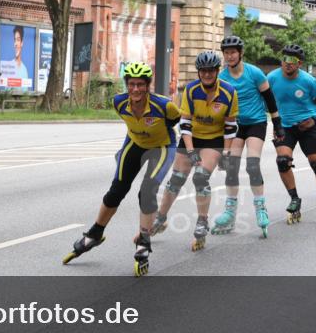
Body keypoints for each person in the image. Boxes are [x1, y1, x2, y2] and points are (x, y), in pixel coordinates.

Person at [62, 62, 179, 276]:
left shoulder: (165, 106)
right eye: (132, 84)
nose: (136, 89)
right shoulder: (119, 102)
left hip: (162, 146)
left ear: (148, 86)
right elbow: (131, 126)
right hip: (134, 143)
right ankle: (95, 233)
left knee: (148, 190)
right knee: (116, 190)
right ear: (127, 85)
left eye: (141, 85)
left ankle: (144, 242)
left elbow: (174, 122)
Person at [152, 51, 238, 251]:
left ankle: (202, 221)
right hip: (191, 137)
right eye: (203, 71)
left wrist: (226, 153)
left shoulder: (229, 92)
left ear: (217, 71)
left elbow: (230, 127)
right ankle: (160, 218)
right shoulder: (191, 90)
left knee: (200, 178)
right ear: (198, 72)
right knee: (176, 179)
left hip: (214, 139)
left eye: (211, 71)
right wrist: (190, 151)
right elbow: (185, 124)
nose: (207, 74)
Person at [213, 35, 284, 238]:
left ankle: (260, 207)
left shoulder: (254, 73)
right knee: (231, 167)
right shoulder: (222, 78)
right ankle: (229, 212)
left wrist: (277, 124)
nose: (229, 56)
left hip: (255, 123)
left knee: (252, 165)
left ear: (240, 53)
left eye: (233, 52)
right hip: (234, 126)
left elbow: (269, 99)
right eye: (226, 53)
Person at [267, 43, 316, 225]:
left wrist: (313, 116)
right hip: (284, 126)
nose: (287, 63)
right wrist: (275, 120)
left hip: (307, 125)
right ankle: (294, 198)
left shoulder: (307, 80)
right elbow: (265, 98)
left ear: (299, 64)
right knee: (282, 161)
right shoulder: (272, 78)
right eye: (285, 59)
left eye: (292, 61)